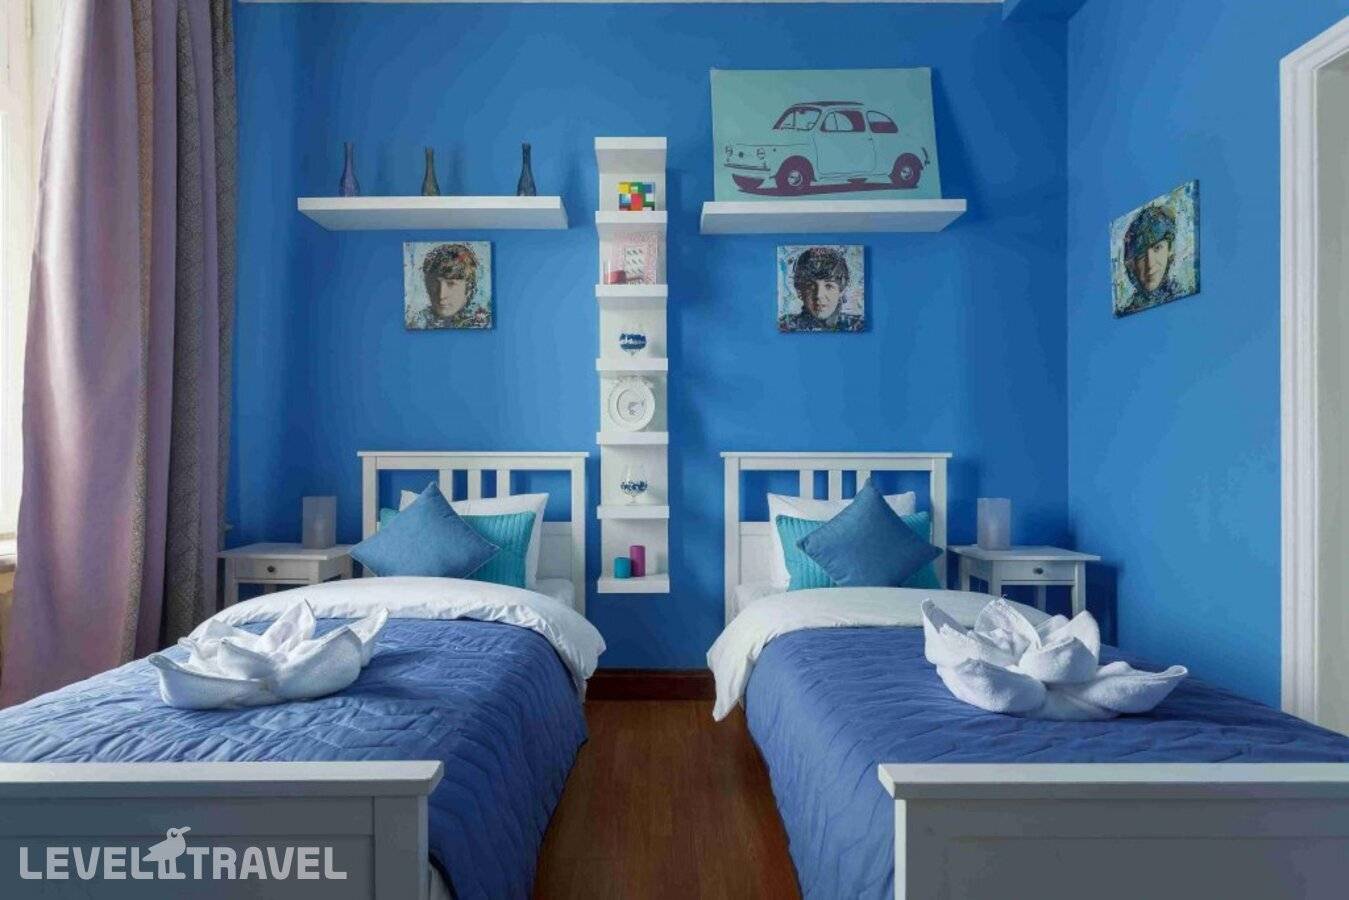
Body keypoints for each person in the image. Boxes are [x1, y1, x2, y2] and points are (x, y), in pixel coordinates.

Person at [778, 246, 863, 332]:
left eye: (829, 286)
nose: (819, 295)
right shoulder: (785, 326)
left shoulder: (857, 326)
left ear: (841, 291)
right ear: (799, 290)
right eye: (811, 286)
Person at [407, 243, 491, 329]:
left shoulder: (484, 323)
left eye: (451, 284)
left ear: (469, 288)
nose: (441, 295)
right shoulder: (417, 322)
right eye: (435, 283)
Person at [1117, 204, 1181, 316]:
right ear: (1131, 264)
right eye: (1141, 255)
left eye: (1157, 248)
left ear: (1169, 250)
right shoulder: (1128, 312)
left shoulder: (1180, 295)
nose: (1150, 264)